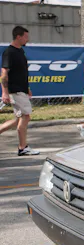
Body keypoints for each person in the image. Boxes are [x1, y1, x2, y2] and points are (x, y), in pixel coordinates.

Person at [0, 26, 40, 156]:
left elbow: (21, 72)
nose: (27, 39)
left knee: (19, 119)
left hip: (21, 90)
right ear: (18, 37)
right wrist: (4, 92)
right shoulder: (9, 52)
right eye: (25, 37)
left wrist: (26, 88)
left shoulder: (20, 51)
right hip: (15, 91)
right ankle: (23, 147)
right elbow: (4, 74)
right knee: (25, 116)